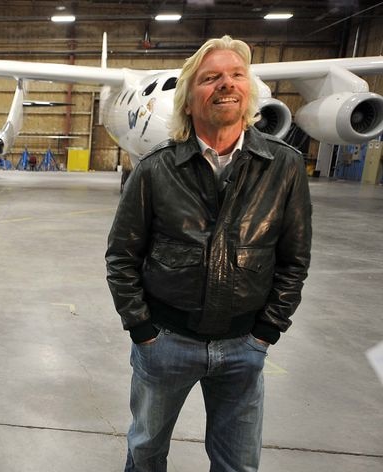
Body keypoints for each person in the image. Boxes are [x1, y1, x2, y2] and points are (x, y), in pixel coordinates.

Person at [105, 35, 312, 471]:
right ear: (189, 97)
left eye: (237, 75)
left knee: (238, 463)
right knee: (145, 453)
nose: (226, 84)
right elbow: (121, 257)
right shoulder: (154, 169)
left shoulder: (284, 167)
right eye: (211, 77)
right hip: (166, 342)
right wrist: (142, 329)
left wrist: (266, 332)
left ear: (249, 91)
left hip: (243, 346)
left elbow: (294, 259)